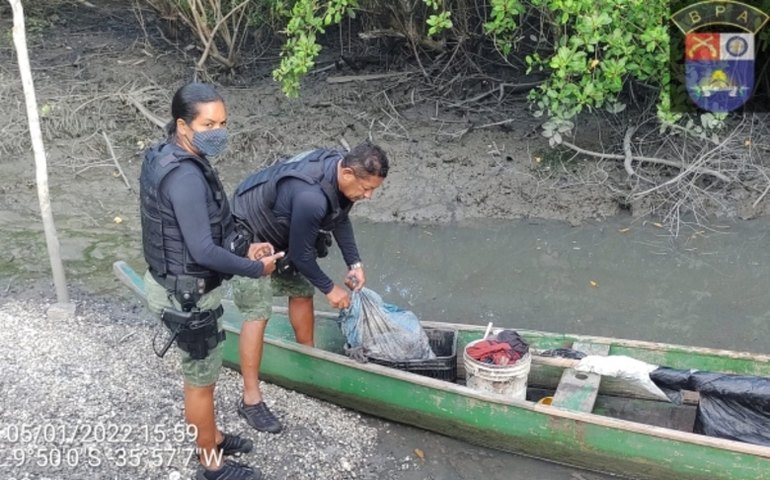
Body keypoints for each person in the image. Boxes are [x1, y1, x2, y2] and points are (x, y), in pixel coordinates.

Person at [139, 82, 283, 480]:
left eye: (223, 122)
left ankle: (213, 435)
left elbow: (196, 230)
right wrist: (257, 269)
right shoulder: (184, 176)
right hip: (187, 297)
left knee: (203, 376)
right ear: (184, 125)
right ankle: (210, 464)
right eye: (209, 123)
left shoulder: (167, 153)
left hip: (173, 283)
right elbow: (202, 251)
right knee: (200, 382)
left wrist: (245, 248)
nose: (218, 131)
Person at [229, 142, 389, 433]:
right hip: (248, 233)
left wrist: (355, 263)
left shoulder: (340, 175)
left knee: (302, 290)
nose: (368, 196)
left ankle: (308, 358)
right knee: (258, 310)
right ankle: (250, 399)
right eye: (366, 188)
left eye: (373, 190)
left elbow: (340, 218)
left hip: (284, 233)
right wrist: (330, 288)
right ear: (349, 172)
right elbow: (303, 256)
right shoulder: (310, 196)